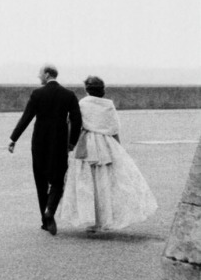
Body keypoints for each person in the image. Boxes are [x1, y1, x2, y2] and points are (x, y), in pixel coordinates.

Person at [59, 76, 158, 233]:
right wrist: (118, 149)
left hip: (86, 143)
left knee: (87, 183)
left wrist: (69, 145)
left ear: (87, 89)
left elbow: (75, 125)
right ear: (102, 90)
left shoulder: (82, 104)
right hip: (106, 145)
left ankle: (90, 219)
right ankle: (105, 219)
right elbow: (114, 128)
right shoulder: (109, 105)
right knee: (106, 183)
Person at [8, 65, 82, 235]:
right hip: (59, 143)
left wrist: (14, 138)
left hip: (39, 143)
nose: (38, 76)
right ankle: (50, 210)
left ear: (47, 74)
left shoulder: (37, 94)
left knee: (40, 181)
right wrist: (72, 143)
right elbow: (76, 120)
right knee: (57, 181)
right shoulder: (69, 95)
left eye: (40, 73)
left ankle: (45, 220)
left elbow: (26, 117)